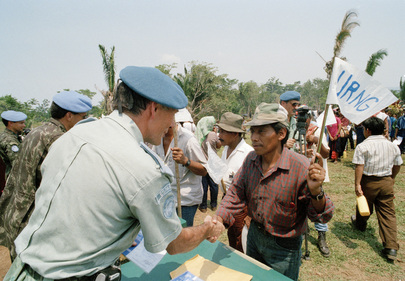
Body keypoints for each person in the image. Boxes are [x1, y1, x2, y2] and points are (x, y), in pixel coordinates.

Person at [4, 66, 224, 280]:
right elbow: (174, 243)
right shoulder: (144, 169)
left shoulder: (76, 134)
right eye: (172, 115)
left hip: (22, 270)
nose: (171, 125)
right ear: (153, 109)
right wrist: (207, 229)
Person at [214, 103, 334, 281]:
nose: (254, 138)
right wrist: (219, 218)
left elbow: (322, 216)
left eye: (261, 131)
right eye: (253, 131)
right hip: (254, 236)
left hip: (284, 248)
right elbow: (235, 193)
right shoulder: (251, 160)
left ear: (281, 134)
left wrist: (316, 192)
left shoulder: (300, 167)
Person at [0, 91, 93, 260]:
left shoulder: (38, 131)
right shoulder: (59, 139)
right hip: (31, 218)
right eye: (83, 117)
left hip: (15, 211)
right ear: (69, 116)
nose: (84, 121)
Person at [351, 117, 402, 262]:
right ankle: (391, 246)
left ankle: (360, 225)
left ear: (368, 130)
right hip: (386, 181)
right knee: (388, 213)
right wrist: (392, 178)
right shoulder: (392, 146)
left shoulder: (363, 146)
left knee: (364, 205)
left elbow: (359, 166)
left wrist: (357, 184)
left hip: (369, 180)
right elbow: (398, 164)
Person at [152, 109, 207, 227]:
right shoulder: (157, 139)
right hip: (165, 199)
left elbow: (204, 170)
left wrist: (185, 161)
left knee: (183, 237)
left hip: (184, 201)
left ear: (172, 120)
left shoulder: (189, 140)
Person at [217, 112, 253, 252]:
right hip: (227, 199)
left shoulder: (248, 154)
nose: (219, 135)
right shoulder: (226, 148)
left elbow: (253, 187)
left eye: (223, 132)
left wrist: (249, 214)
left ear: (235, 134)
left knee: (241, 241)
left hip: (242, 204)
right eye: (219, 131)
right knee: (232, 235)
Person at [305, 111, 331, 258]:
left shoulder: (317, 130)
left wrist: (315, 139)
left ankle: (321, 235)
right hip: (298, 171)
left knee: (318, 204)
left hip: (314, 174)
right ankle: (303, 230)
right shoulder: (291, 129)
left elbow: (326, 153)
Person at [196, 116, 221, 212]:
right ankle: (214, 205)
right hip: (213, 163)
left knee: (204, 185)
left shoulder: (199, 134)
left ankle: (203, 206)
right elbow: (218, 145)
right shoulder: (212, 134)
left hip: (202, 163)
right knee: (214, 184)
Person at [0, 110, 27, 178]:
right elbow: (18, 163)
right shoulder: (10, 141)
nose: (24, 125)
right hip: (12, 178)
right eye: (21, 123)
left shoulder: (6, 136)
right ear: (11, 123)